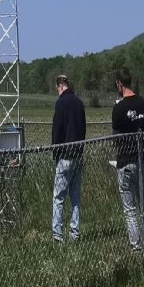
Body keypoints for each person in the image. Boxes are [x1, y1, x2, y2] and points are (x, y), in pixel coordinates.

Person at [111, 68, 144, 252]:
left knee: (130, 210)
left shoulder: (118, 108)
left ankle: (136, 247)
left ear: (120, 83)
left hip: (125, 161)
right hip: (141, 160)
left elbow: (116, 137)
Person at [51, 73, 87, 242]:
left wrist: (55, 153)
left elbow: (57, 130)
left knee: (58, 197)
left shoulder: (61, 103)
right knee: (75, 197)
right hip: (78, 154)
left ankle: (57, 235)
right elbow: (83, 128)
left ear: (60, 86)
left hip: (65, 155)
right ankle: (75, 233)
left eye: (57, 88)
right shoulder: (79, 103)